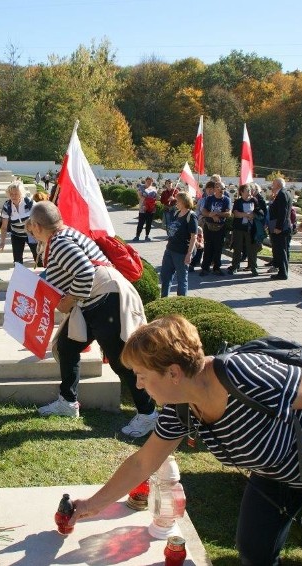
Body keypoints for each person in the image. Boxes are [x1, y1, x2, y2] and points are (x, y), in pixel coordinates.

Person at [68, 315, 302, 566]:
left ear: (173, 372)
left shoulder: (243, 374)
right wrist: (91, 505)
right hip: (276, 472)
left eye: (142, 374)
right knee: (254, 552)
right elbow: (142, 463)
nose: (137, 383)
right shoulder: (181, 407)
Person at [27, 201, 158, 437]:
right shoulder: (63, 235)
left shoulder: (59, 243)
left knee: (122, 360)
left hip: (106, 298)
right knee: (67, 346)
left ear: (37, 226)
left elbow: (85, 272)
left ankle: (148, 414)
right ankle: (68, 402)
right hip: (92, 299)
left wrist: (68, 300)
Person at [160, 192, 197, 297]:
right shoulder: (176, 213)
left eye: (178, 200)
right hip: (170, 249)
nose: (176, 202)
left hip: (182, 253)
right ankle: (163, 300)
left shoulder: (191, 216)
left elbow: (193, 237)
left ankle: (181, 302)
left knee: (181, 279)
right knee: (165, 277)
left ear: (184, 202)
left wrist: (189, 254)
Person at [0, 180, 37, 265]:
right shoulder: (7, 206)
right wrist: (2, 243)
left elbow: (40, 217)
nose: (13, 196)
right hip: (16, 235)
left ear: (21, 193)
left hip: (31, 234)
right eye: (11, 194)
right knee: (17, 262)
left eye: (16, 194)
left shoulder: (29, 202)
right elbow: (4, 227)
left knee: (39, 258)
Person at [199, 177, 230, 275]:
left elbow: (228, 213)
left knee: (218, 248)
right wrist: (210, 215)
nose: (221, 190)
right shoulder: (209, 199)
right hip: (209, 226)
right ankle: (205, 267)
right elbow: (203, 211)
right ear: (215, 189)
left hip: (220, 227)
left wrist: (217, 214)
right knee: (208, 247)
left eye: (223, 188)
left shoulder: (226, 200)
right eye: (219, 188)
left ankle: (217, 267)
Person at [229, 184, 259, 276]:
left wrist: (253, 215)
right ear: (242, 192)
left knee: (252, 249)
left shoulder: (254, 200)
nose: (249, 191)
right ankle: (235, 267)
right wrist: (246, 214)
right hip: (239, 228)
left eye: (250, 190)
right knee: (237, 248)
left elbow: (258, 212)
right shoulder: (238, 202)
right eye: (247, 190)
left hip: (250, 229)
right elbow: (236, 213)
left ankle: (253, 267)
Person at [268, 177, 292, 280]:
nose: (272, 185)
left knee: (280, 250)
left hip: (281, 228)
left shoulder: (282, 194)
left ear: (278, 185)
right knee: (282, 250)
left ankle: (283, 273)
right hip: (284, 226)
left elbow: (283, 212)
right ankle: (283, 271)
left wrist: (278, 227)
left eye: (273, 183)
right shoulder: (284, 193)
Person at [133, 177, 157, 242]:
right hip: (143, 208)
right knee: (140, 223)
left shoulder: (154, 189)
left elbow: (156, 197)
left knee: (149, 223)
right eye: (148, 181)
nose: (149, 183)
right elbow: (139, 196)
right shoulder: (141, 188)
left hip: (151, 208)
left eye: (150, 182)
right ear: (145, 181)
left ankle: (147, 236)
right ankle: (137, 236)